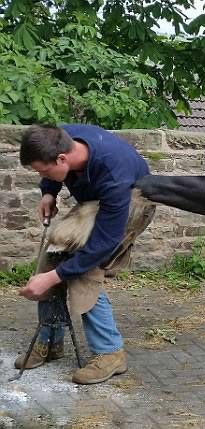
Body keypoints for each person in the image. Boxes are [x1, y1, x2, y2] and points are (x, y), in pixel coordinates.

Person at [15, 124, 155, 384]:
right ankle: (50, 341)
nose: (41, 174)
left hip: (133, 203)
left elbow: (103, 242)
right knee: (53, 257)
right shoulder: (60, 138)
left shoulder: (114, 172)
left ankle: (110, 352)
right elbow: (50, 171)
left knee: (86, 269)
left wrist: (54, 278)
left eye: (44, 171)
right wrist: (48, 192)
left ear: (62, 159)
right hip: (95, 202)